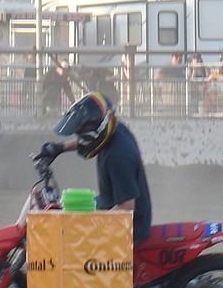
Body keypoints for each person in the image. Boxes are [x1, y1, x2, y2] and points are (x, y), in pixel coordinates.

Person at [37, 92, 152, 246]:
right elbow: (90, 139)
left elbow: (126, 208)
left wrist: (89, 226)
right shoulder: (116, 130)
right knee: (69, 210)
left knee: (69, 237)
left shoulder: (118, 155)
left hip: (130, 227)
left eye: (83, 134)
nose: (81, 139)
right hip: (108, 203)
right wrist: (59, 148)